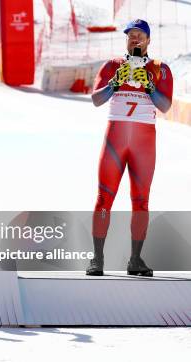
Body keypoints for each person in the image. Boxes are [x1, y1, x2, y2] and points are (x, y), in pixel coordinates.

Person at [86, 19, 173, 277]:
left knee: (141, 202)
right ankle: (97, 259)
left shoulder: (160, 68)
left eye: (140, 35)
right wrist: (114, 84)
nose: (135, 39)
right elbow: (96, 100)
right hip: (115, 139)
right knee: (104, 198)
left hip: (143, 143)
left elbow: (165, 106)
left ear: (148, 40)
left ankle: (135, 260)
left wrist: (148, 85)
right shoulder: (113, 65)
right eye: (131, 35)